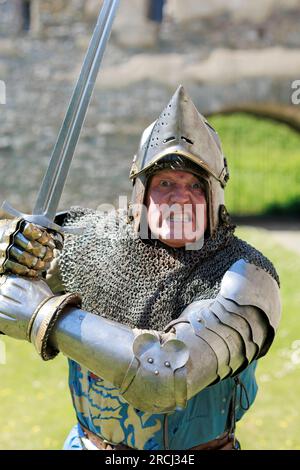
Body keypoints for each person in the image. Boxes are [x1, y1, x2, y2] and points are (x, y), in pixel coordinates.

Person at [0, 85, 281, 450]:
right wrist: (11, 246)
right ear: (141, 194)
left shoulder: (246, 276)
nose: (179, 196)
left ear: (214, 198)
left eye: (194, 185)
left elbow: (165, 378)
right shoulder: (89, 242)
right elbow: (20, 261)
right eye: (164, 182)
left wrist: (41, 316)